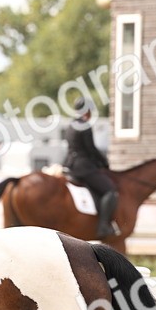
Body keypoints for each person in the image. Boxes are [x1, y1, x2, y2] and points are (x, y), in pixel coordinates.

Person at [63, 97, 118, 239]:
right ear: (86, 110)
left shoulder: (71, 125)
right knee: (109, 190)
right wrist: (103, 161)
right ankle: (103, 226)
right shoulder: (85, 125)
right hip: (83, 167)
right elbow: (91, 149)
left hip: (70, 164)